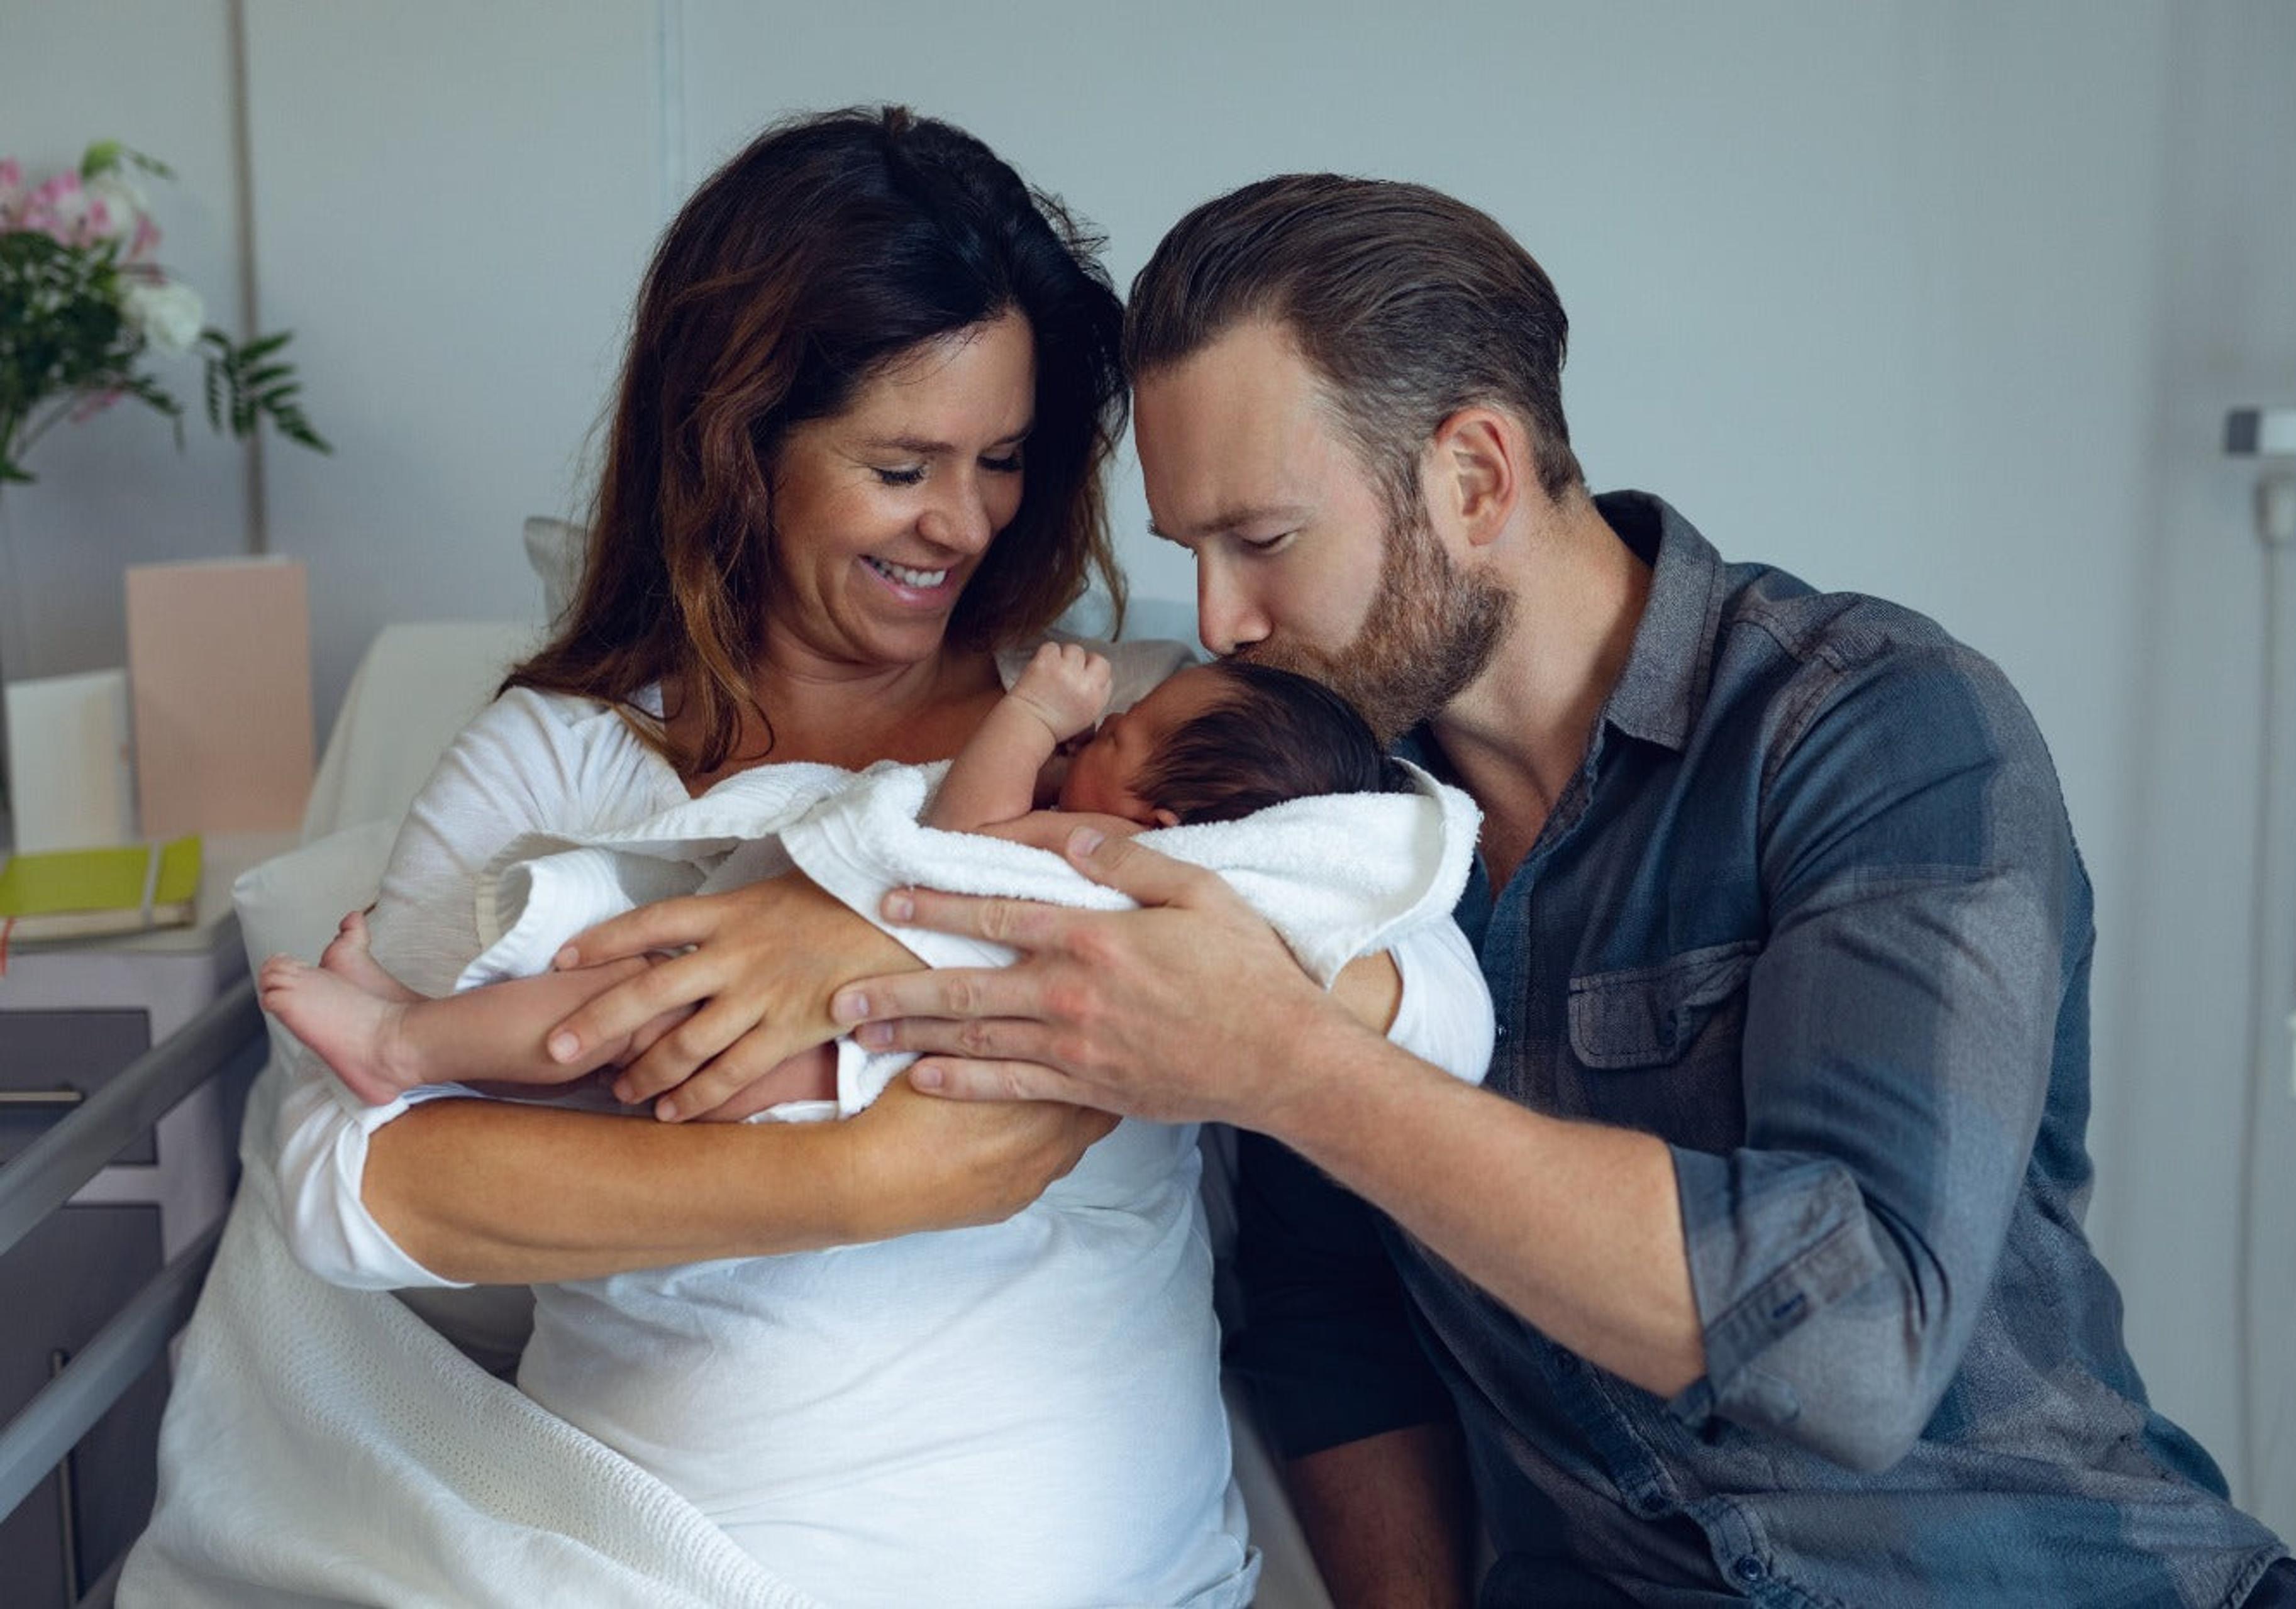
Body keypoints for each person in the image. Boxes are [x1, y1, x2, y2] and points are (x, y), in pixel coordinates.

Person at [550, 176, 2296, 1605]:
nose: (1226, 623)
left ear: (1477, 473)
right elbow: (1328, 1327)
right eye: (1192, 555)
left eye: (1264, 541)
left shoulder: (1880, 732)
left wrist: (1297, 1068)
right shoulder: (1284, 816)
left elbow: (1857, 1349)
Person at [125, 110, 1479, 1608]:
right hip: (656, 1567)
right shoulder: (564, 755)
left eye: (1007, 459)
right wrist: (862, 1178)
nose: (962, 523)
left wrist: (882, 942)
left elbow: (1424, 983)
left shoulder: (1131, 721)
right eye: (902, 464)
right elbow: (343, 1179)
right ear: (739, 442)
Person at [252, 644, 1415, 1119]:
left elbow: (959, 828)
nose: (1102, 719)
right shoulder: (1144, 859)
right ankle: (412, 1027)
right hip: (850, 1036)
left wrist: (1032, 715)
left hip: (850, 1056)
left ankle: (401, 1049)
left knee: (610, 1010)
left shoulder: (1101, 862)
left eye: (1128, 731)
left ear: (1153, 817)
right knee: (615, 1010)